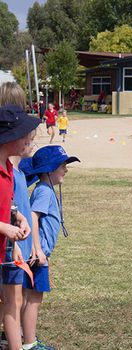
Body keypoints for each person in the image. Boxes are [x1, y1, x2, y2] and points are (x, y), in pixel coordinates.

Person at [19, 145, 80, 350]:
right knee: (35, 299)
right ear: (49, 169)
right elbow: (33, 219)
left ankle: (24, 337)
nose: (66, 170)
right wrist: (38, 249)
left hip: (38, 252)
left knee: (29, 297)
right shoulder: (44, 191)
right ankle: (29, 343)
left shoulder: (44, 189)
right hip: (38, 254)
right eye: (62, 165)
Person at [0, 82, 39, 350]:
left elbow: (7, 205)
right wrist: (5, 227)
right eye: (23, 134)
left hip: (4, 251)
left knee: (10, 302)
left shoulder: (8, 172)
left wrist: (18, 218)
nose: (28, 139)